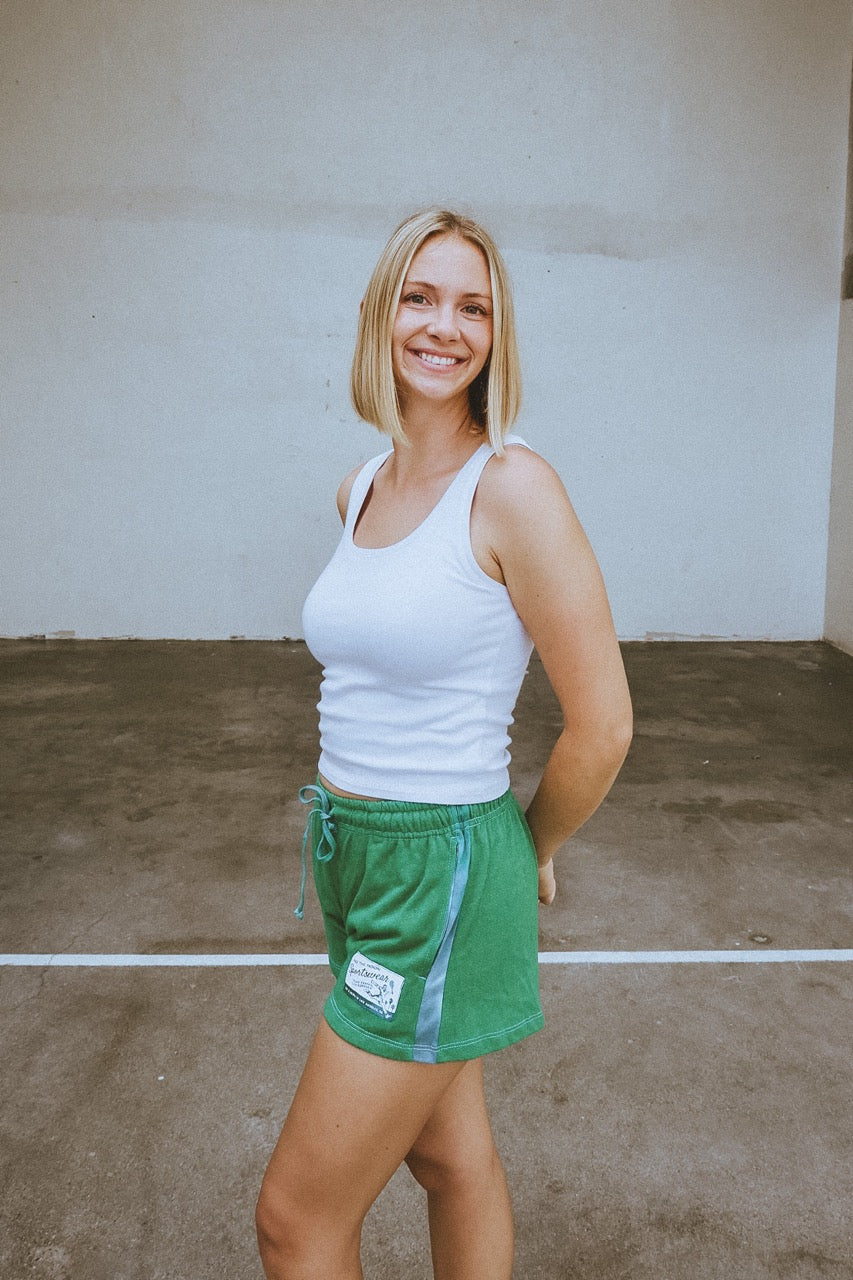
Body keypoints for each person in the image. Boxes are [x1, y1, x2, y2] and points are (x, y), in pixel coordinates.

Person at [256, 208, 632, 1280]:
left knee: (294, 1218)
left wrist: (533, 843)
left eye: (473, 306)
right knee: (448, 1156)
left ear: (495, 335)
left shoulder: (513, 488)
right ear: (381, 313)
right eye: (420, 296)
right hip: (350, 851)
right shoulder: (359, 485)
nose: (443, 324)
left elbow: (601, 722)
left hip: (440, 869)